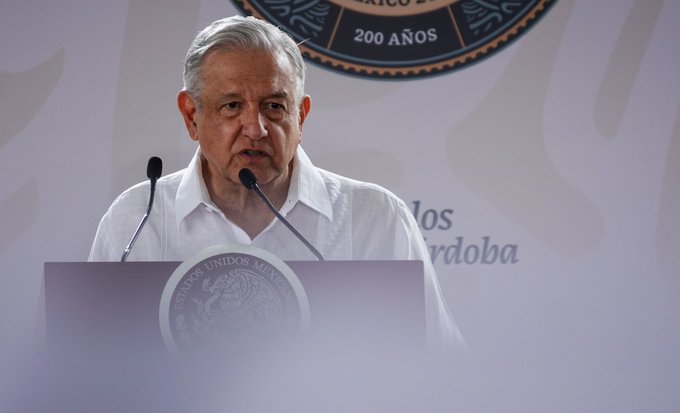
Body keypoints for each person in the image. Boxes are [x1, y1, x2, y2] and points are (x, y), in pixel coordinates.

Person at [89, 15, 464, 351]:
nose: (255, 129)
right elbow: (89, 363)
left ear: (300, 116)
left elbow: (440, 367)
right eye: (232, 106)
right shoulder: (137, 221)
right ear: (192, 116)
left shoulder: (375, 218)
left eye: (274, 106)